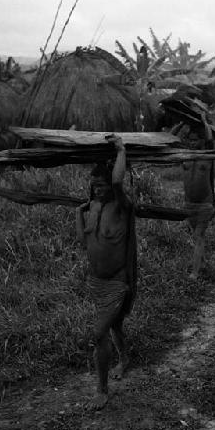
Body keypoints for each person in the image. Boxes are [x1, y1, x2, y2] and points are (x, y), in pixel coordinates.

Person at [75, 134, 137, 410]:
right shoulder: (94, 207)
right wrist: (79, 213)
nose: (99, 190)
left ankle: (102, 389)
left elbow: (116, 182)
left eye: (102, 185)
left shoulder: (123, 207)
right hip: (95, 282)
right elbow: (84, 241)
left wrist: (121, 150)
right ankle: (124, 359)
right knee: (114, 325)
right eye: (94, 186)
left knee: (99, 332)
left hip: (117, 283)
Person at [171, 113, 215, 280]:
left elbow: (210, 138)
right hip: (189, 205)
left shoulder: (208, 156)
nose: (192, 143)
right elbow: (170, 138)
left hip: (205, 205)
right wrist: (183, 121)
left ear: (202, 141)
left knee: (198, 236)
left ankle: (195, 273)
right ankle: (202, 264)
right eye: (190, 140)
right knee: (196, 237)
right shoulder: (184, 155)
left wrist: (204, 121)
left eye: (195, 140)